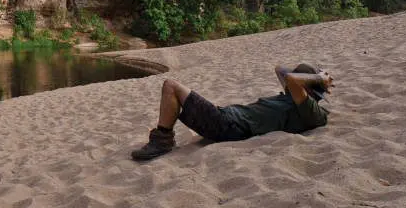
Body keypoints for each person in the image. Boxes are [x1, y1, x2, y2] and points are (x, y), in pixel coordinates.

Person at [131, 63, 333, 161]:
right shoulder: (293, 98)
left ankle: (162, 140)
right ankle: (163, 138)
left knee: (170, 85)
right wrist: (315, 77)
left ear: (308, 88)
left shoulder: (312, 111)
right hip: (227, 119)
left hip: (230, 126)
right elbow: (281, 70)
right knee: (173, 88)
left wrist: (318, 78)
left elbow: (290, 78)